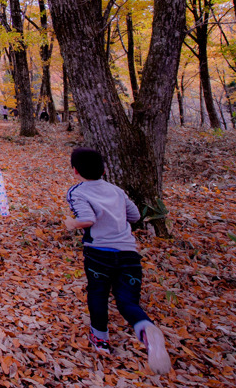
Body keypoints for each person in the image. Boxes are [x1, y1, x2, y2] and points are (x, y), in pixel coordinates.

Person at [64, 147, 172, 374]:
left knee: (98, 294)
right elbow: (135, 216)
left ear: (75, 171)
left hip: (99, 253)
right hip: (128, 253)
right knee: (127, 301)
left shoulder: (77, 192)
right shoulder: (117, 191)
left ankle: (100, 340)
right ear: (104, 169)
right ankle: (145, 327)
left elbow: (87, 219)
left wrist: (72, 223)